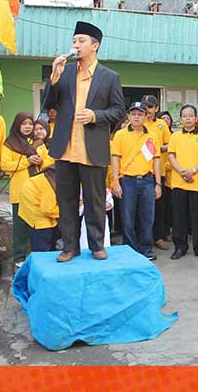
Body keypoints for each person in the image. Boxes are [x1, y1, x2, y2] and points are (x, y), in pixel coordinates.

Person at [42, 21, 126, 263]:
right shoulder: (65, 72)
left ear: (95, 45)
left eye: (81, 41)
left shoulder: (109, 77)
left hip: (92, 148)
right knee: (66, 201)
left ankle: (97, 245)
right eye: (74, 40)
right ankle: (70, 247)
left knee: (95, 201)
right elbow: (49, 102)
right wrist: (54, 78)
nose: (75, 45)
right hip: (65, 148)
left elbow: (119, 110)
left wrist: (95, 115)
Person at [110, 101, 163, 260]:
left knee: (148, 218)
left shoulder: (152, 136)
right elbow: (115, 158)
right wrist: (115, 181)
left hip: (147, 181)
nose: (136, 117)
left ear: (146, 116)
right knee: (128, 218)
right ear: (128, 116)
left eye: (140, 114)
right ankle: (130, 251)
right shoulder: (120, 135)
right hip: (127, 181)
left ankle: (146, 250)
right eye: (133, 114)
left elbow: (156, 160)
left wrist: (158, 183)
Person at [0, 112, 55, 265]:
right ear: (18, 125)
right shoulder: (9, 143)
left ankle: (37, 255)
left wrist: (40, 160)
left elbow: (48, 162)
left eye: (30, 124)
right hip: (20, 191)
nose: (27, 127)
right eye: (24, 124)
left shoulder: (37, 142)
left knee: (39, 225)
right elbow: (5, 165)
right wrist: (27, 161)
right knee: (20, 227)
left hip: (38, 191)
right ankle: (19, 258)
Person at [167, 104, 198, 260]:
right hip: (178, 182)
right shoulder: (174, 137)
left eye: (190, 115)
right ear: (180, 119)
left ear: (196, 118)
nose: (187, 118)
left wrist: (192, 171)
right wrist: (182, 172)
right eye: (184, 115)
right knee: (179, 217)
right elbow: (171, 156)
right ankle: (180, 247)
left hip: (197, 183)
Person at [18, 167, 61, 256]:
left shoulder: (47, 177)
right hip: (38, 219)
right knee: (42, 252)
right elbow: (48, 209)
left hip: (32, 212)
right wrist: (70, 212)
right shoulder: (50, 184)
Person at [149, 104, 174, 251]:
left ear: (156, 108)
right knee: (144, 208)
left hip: (160, 171)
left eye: (151, 107)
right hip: (142, 171)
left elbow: (170, 144)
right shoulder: (139, 123)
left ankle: (159, 236)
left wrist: (156, 149)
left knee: (159, 207)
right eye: (146, 106)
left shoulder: (161, 124)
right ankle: (144, 237)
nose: (148, 110)